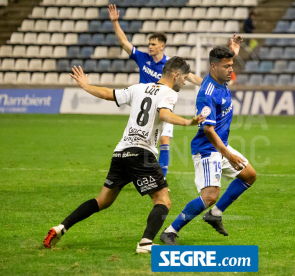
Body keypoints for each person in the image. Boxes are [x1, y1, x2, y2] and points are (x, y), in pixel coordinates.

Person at [43, 57, 205, 253]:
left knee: (103, 200)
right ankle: (146, 243)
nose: (185, 82)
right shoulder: (169, 93)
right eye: (185, 78)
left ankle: (61, 227)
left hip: (121, 152)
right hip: (141, 153)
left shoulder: (138, 88)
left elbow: (108, 94)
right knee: (163, 200)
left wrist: (86, 85)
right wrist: (189, 122)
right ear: (176, 75)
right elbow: (163, 115)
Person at [160, 44, 258, 245]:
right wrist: (227, 154)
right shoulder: (207, 93)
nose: (231, 70)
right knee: (210, 195)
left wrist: (232, 52)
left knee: (249, 175)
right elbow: (208, 129)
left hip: (220, 146)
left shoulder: (219, 77)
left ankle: (215, 214)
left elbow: (224, 63)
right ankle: (170, 231)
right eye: (227, 66)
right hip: (207, 149)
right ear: (214, 67)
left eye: (232, 65)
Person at [108, 4, 203, 177]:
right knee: (141, 142)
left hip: (162, 105)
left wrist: (210, 85)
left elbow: (192, 78)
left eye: (153, 44)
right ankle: (139, 172)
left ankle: (161, 178)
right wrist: (115, 22)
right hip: (143, 106)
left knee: (164, 140)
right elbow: (124, 42)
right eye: (149, 44)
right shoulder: (142, 58)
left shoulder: (171, 65)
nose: (150, 47)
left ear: (162, 46)